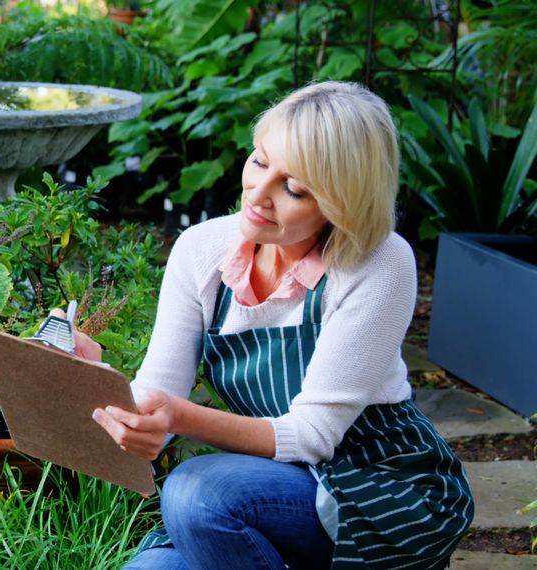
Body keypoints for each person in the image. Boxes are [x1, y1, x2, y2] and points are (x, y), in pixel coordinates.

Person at [70, 81, 474, 569]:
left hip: (379, 488)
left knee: (196, 491)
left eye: (295, 188)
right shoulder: (201, 249)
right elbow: (157, 394)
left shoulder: (380, 262)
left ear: (341, 201)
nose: (258, 195)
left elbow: (311, 436)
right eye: (260, 162)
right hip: (263, 490)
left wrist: (178, 415)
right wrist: (89, 382)